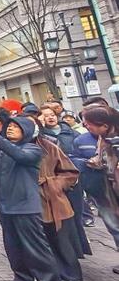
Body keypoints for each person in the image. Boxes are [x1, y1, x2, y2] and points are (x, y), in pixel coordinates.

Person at [0, 116, 63, 281]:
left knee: (36, 247)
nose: (10, 129)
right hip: (5, 205)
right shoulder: (2, 149)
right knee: (13, 246)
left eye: (16, 127)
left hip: (26, 207)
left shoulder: (33, 149)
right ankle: (23, 278)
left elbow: (20, 156)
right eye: (9, 126)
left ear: (27, 131)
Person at [33, 114, 84, 281]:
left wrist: (53, 185)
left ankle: (71, 275)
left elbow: (70, 172)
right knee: (39, 241)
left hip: (53, 200)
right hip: (27, 203)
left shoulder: (49, 146)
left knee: (61, 239)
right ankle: (46, 275)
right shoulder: (10, 149)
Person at [39, 103, 92, 256]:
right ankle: (67, 250)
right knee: (62, 217)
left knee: (76, 214)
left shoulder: (70, 132)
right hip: (53, 182)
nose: (50, 118)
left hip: (71, 177)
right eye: (45, 116)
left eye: (52, 114)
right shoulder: (41, 138)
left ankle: (79, 247)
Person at [72, 104, 119, 274]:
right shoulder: (102, 139)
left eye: (89, 123)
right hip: (106, 191)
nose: (85, 125)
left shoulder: (114, 142)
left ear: (104, 125)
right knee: (114, 226)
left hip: (114, 190)